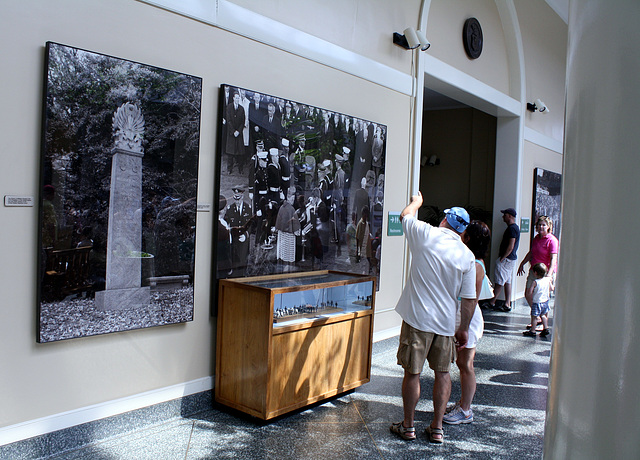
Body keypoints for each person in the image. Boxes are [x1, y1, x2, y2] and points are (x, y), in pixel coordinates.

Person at [390, 192, 476, 444]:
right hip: (446, 324)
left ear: (445, 220)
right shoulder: (466, 255)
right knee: (443, 373)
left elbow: (405, 215)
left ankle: (408, 426)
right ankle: (437, 428)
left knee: (412, 373)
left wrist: (417, 201)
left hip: (417, 320)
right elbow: (469, 299)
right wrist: (463, 329)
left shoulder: (425, 234)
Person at [443, 220, 492, 425]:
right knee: (463, 364)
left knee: (466, 365)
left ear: (469, 238)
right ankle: (463, 403)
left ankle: (465, 410)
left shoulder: (475, 264)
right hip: (465, 317)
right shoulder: (474, 260)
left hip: (468, 319)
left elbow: (471, 299)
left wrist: (463, 326)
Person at [487, 208, 520, 312]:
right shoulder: (514, 228)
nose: (503, 217)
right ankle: (507, 303)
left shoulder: (512, 229)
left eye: (504, 215)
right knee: (507, 281)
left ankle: (492, 302)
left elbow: (510, 246)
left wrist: (502, 258)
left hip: (507, 260)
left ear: (510, 216)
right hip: (511, 259)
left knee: (499, 281)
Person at [523, 263, 554, 337]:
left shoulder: (535, 282)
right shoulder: (547, 280)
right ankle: (546, 328)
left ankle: (533, 330)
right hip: (545, 301)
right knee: (543, 315)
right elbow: (552, 288)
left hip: (537, 302)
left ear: (535, 273)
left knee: (534, 317)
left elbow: (530, 292)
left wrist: (531, 294)